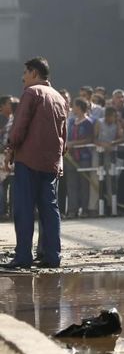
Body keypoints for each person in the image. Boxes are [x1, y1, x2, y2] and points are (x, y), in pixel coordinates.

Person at [3, 58, 67, 268]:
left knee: (23, 208)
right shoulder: (59, 97)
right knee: (50, 209)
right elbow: (63, 135)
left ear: (34, 73)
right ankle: (52, 256)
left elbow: (20, 125)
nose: (23, 78)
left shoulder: (32, 93)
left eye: (25, 73)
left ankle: (23, 256)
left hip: (29, 160)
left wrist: (10, 148)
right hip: (51, 163)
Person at [65, 98, 95, 217]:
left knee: (84, 184)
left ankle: (85, 209)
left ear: (79, 107)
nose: (73, 108)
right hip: (71, 157)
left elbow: (89, 139)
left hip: (84, 157)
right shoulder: (71, 121)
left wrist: (74, 144)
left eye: (74, 106)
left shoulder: (88, 122)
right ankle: (73, 209)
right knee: (72, 184)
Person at [94, 105, 123, 210]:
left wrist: (113, 143)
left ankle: (112, 206)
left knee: (111, 180)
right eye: (113, 116)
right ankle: (99, 207)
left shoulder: (117, 124)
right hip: (100, 154)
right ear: (107, 116)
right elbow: (94, 139)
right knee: (99, 179)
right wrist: (102, 144)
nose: (114, 119)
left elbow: (122, 138)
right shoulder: (99, 123)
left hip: (112, 155)